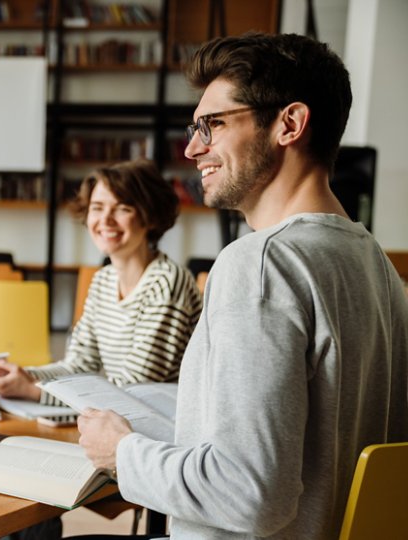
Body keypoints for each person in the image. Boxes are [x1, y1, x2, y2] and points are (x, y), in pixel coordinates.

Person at [76, 33, 408, 539]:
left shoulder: (260, 263)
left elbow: (248, 494)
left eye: (212, 125)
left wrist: (121, 453)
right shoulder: (377, 265)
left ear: (288, 124)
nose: (192, 148)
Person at [0, 159, 202, 405]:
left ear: (151, 217)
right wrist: (22, 375)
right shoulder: (103, 280)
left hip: (165, 430)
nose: (106, 220)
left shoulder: (168, 283)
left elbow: (132, 392)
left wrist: (33, 391)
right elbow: (80, 365)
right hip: (129, 424)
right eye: (97, 207)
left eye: (123, 208)